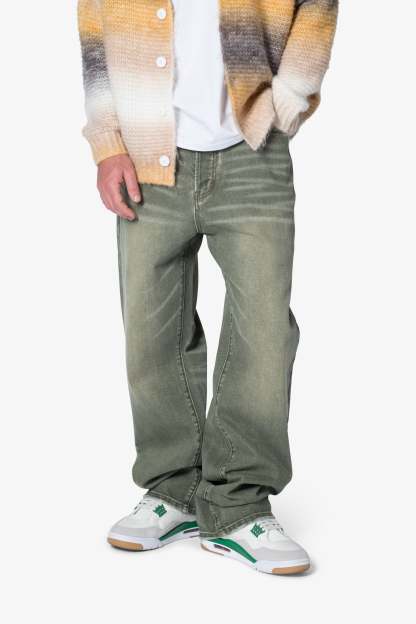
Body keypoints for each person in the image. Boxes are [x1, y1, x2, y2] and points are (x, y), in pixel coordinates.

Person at [78, 0, 338, 575]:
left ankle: (238, 504)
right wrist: (108, 144)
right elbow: (95, 30)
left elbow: (318, 7)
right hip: (145, 154)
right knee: (150, 329)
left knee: (264, 331)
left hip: (252, 154)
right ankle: (174, 489)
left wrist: (288, 100)